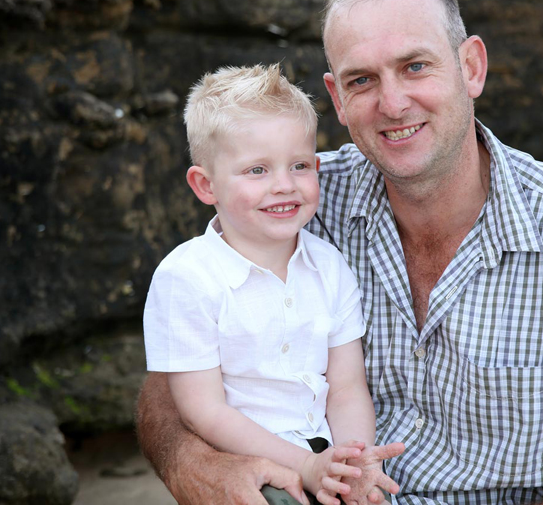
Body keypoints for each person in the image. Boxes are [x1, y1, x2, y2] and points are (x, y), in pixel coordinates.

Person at [136, 0, 543, 504]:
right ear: (336, 98)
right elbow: (178, 374)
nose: (393, 103)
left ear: (471, 67)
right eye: (362, 80)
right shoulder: (298, 202)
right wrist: (191, 461)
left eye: (415, 66)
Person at [142, 64, 404, 505]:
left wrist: (354, 460)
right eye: (257, 170)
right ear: (206, 185)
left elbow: (346, 387)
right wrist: (305, 466)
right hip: (249, 467)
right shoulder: (186, 278)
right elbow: (204, 411)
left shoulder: (329, 265)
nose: (284, 185)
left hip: (325, 454)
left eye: (299, 166)